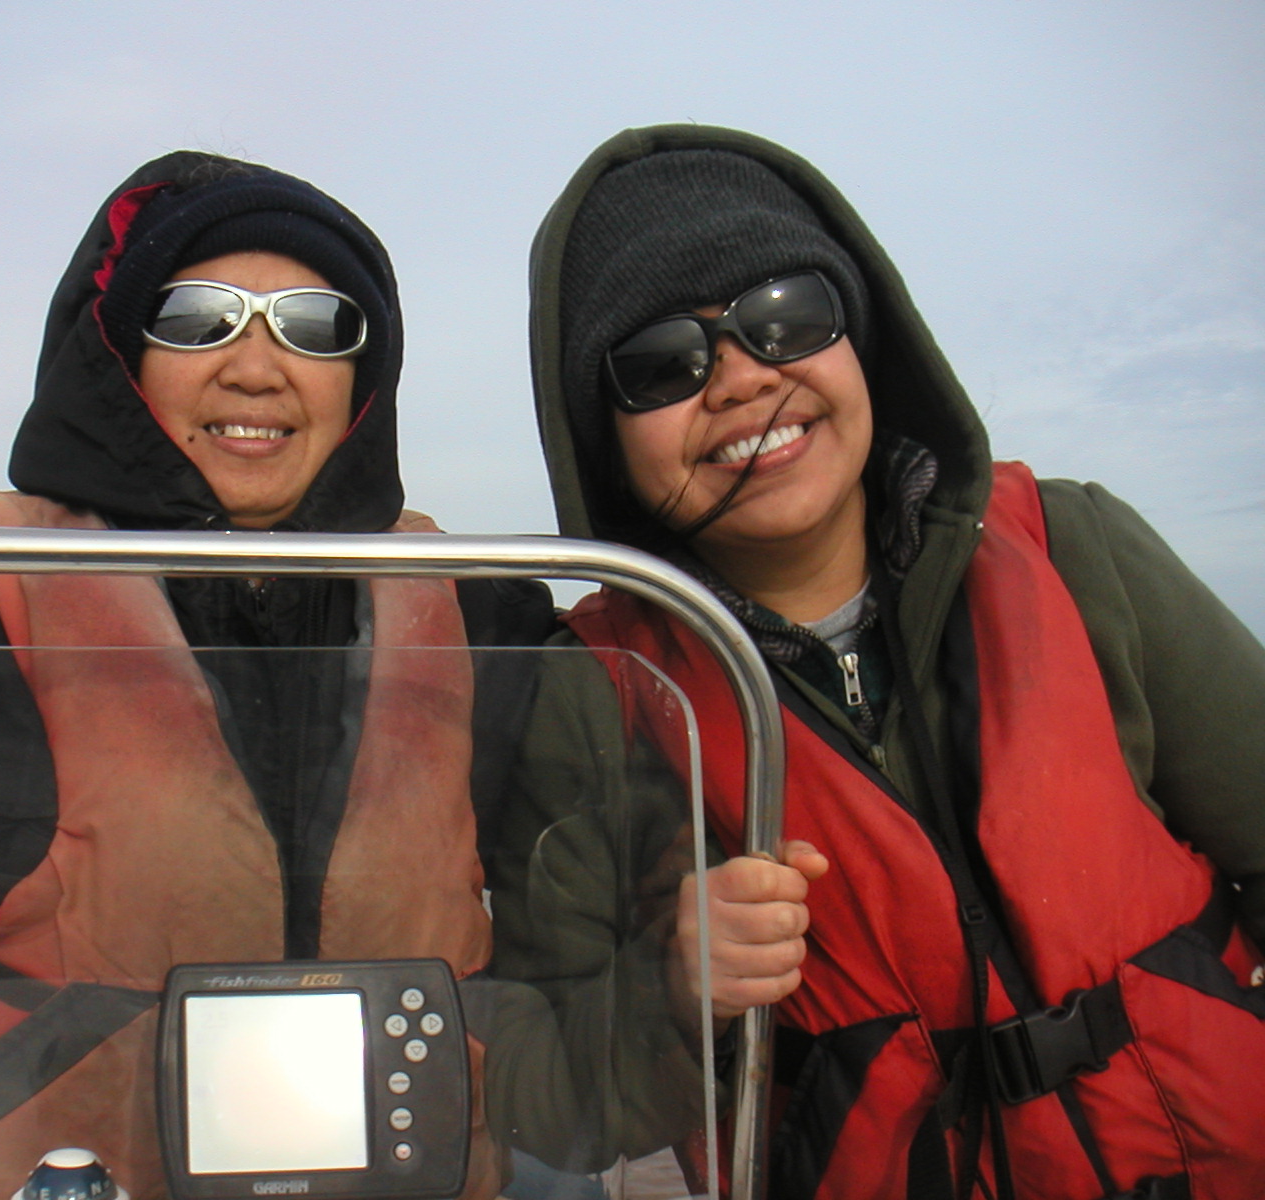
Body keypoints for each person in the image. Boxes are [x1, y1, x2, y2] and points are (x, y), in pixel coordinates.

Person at [0, 153, 553, 1199]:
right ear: (122, 355)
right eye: (197, 318)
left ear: (362, 377)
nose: (257, 367)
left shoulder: (478, 610)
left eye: (315, 323)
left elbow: (615, 868)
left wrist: (698, 926)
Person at [492, 124, 1265, 1200]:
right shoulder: (592, 695)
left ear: (861, 335)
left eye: (784, 316)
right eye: (660, 364)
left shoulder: (1077, 548)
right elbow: (544, 1097)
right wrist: (676, 989)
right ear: (599, 434)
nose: (741, 380)